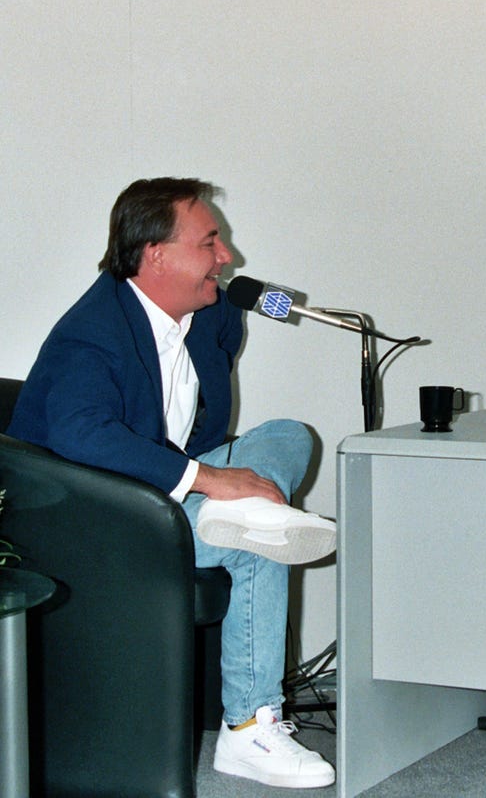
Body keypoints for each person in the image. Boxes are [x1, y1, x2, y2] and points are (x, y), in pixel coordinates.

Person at [10, 178, 338, 790]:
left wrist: (211, 483)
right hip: (96, 518)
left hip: (173, 499)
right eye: (210, 241)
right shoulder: (93, 331)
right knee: (256, 536)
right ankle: (247, 733)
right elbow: (83, 436)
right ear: (154, 253)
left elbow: (200, 426)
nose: (227, 258)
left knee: (290, 435)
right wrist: (207, 479)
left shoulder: (212, 319)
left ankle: (242, 514)